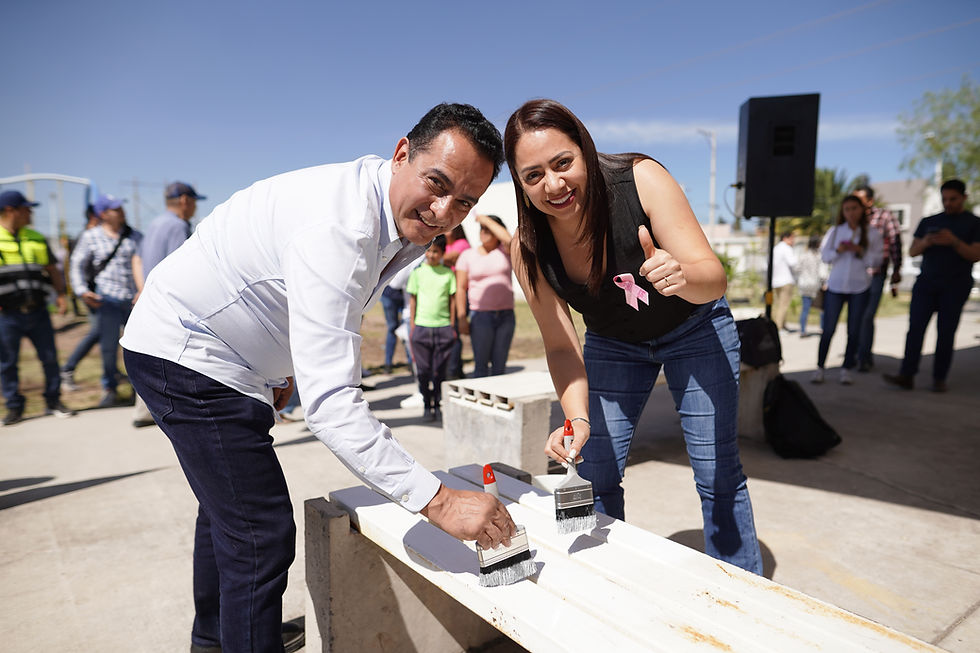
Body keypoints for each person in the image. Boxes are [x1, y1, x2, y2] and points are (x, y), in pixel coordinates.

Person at [119, 103, 516, 653]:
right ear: (402, 153)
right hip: (189, 354)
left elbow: (313, 300)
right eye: (437, 183)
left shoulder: (391, 210)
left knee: (229, 514)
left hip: (228, 355)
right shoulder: (340, 226)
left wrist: (279, 365)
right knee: (260, 533)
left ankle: (219, 639)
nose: (444, 211)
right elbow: (331, 406)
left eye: (466, 202)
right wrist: (440, 501)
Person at [504, 98, 762, 575]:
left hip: (695, 327)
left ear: (585, 150)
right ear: (520, 183)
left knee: (717, 472)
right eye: (533, 175)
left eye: (563, 163)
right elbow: (560, 345)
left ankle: (743, 589)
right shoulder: (527, 246)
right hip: (613, 342)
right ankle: (604, 578)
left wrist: (682, 274)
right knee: (593, 467)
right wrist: (576, 418)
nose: (554, 185)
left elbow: (713, 278)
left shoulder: (641, 179)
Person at [884, 179, 980, 393]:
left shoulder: (974, 223)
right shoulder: (929, 221)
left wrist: (954, 241)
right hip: (926, 284)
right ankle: (907, 375)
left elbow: (976, 254)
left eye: (953, 199)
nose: (948, 203)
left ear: (964, 197)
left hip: (955, 286)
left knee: (946, 333)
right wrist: (927, 241)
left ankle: (939, 378)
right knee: (915, 329)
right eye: (945, 199)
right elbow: (912, 251)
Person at [129, 181, 206, 427]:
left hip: (150, 297)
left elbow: (137, 258)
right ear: (184, 200)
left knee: (151, 353)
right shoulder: (178, 226)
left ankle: (143, 411)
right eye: (194, 202)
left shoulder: (156, 223)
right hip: (169, 301)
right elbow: (181, 267)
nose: (194, 207)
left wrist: (142, 288)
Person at [0, 190, 75, 425]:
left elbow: (52, 270)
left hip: (38, 310)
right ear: (11, 210)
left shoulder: (36, 237)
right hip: (7, 314)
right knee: (7, 362)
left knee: (50, 358)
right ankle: (14, 407)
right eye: (26, 209)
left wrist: (61, 295)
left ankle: (53, 401)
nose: (31, 213)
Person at [69, 194, 142, 408]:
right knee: (108, 348)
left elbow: (144, 262)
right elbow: (76, 264)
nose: (121, 212)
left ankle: (139, 390)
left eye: (121, 208)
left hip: (134, 301)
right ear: (103, 214)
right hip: (107, 300)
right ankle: (109, 388)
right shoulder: (90, 237)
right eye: (115, 209)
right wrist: (82, 291)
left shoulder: (135, 236)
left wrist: (143, 289)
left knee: (138, 347)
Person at [811, 195, 883, 385]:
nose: (851, 213)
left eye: (854, 208)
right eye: (847, 209)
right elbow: (824, 256)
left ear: (862, 210)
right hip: (836, 286)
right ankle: (820, 367)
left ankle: (846, 368)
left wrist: (860, 250)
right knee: (828, 329)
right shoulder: (835, 231)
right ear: (842, 212)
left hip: (859, 287)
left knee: (854, 330)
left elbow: (877, 261)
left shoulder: (871, 233)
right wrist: (839, 250)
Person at [456, 214, 515, 377]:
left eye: (488, 229)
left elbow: (509, 240)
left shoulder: (506, 251)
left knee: (499, 368)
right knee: (481, 368)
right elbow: (460, 288)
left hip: (506, 316)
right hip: (481, 316)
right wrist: (462, 317)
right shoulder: (467, 255)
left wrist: (484, 219)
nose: (483, 231)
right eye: (481, 228)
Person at [407, 235, 456, 421]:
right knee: (423, 371)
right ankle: (427, 404)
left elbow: (452, 300)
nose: (431, 255)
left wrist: (452, 324)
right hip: (421, 328)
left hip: (443, 328)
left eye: (436, 251)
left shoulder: (448, 274)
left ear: (442, 253)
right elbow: (413, 300)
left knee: (439, 371)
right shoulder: (417, 273)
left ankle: (437, 403)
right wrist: (413, 325)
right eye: (429, 251)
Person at [854, 185, 903, 372]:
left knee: (867, 316)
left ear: (870, 201)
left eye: (859, 200)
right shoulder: (853, 218)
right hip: (855, 275)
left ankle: (864, 356)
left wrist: (896, 269)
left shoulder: (884, 216)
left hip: (876, 274)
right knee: (857, 316)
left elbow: (895, 243)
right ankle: (858, 353)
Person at [60, 204, 104, 391]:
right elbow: (77, 267)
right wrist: (84, 291)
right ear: (96, 216)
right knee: (98, 331)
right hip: (92, 295)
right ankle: (67, 369)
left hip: (101, 294)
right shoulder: (86, 237)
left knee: (106, 334)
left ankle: (111, 371)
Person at [442, 224, 471, 379]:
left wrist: (437, 257)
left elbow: (446, 258)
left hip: (460, 294)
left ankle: (453, 371)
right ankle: (456, 370)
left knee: (454, 332)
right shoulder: (445, 245)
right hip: (446, 294)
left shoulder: (462, 244)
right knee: (450, 332)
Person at [380, 261, 414, 374]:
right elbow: (396, 283)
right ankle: (388, 364)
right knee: (392, 327)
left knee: (407, 328)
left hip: (405, 296)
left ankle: (411, 362)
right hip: (389, 293)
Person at [795, 234, 823, 337]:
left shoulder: (804, 255)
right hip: (816, 285)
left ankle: (802, 330)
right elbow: (822, 272)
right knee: (821, 308)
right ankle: (822, 328)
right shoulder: (819, 256)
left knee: (805, 308)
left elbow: (797, 268)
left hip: (805, 284)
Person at [770, 230, 797, 331]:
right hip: (786, 280)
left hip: (775, 281)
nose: (793, 241)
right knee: (783, 306)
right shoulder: (787, 248)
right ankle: (778, 328)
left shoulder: (775, 248)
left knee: (778, 304)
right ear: (785, 238)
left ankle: (781, 325)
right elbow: (793, 263)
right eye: (792, 238)